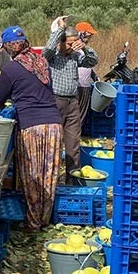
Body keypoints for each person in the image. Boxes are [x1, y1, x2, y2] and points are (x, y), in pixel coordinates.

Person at [0, 25, 62, 230]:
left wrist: (4, 105)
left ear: (8, 47)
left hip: (31, 125)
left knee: (32, 174)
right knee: (49, 173)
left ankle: (32, 222)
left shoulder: (11, 69)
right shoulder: (42, 62)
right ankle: (44, 219)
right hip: (54, 124)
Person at [43, 16, 98, 179]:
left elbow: (92, 61)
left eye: (74, 43)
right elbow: (47, 50)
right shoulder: (53, 56)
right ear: (60, 42)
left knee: (73, 142)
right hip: (55, 101)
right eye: (68, 43)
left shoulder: (75, 56)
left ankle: (72, 179)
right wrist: (60, 29)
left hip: (72, 102)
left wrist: (85, 48)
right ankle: (50, 179)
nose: (71, 46)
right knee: (53, 142)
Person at [74, 22, 99, 124]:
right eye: (89, 35)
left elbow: (85, 64)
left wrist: (94, 75)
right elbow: (93, 60)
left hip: (81, 85)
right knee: (78, 116)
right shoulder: (77, 48)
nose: (90, 38)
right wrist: (84, 47)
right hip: (80, 86)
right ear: (83, 34)